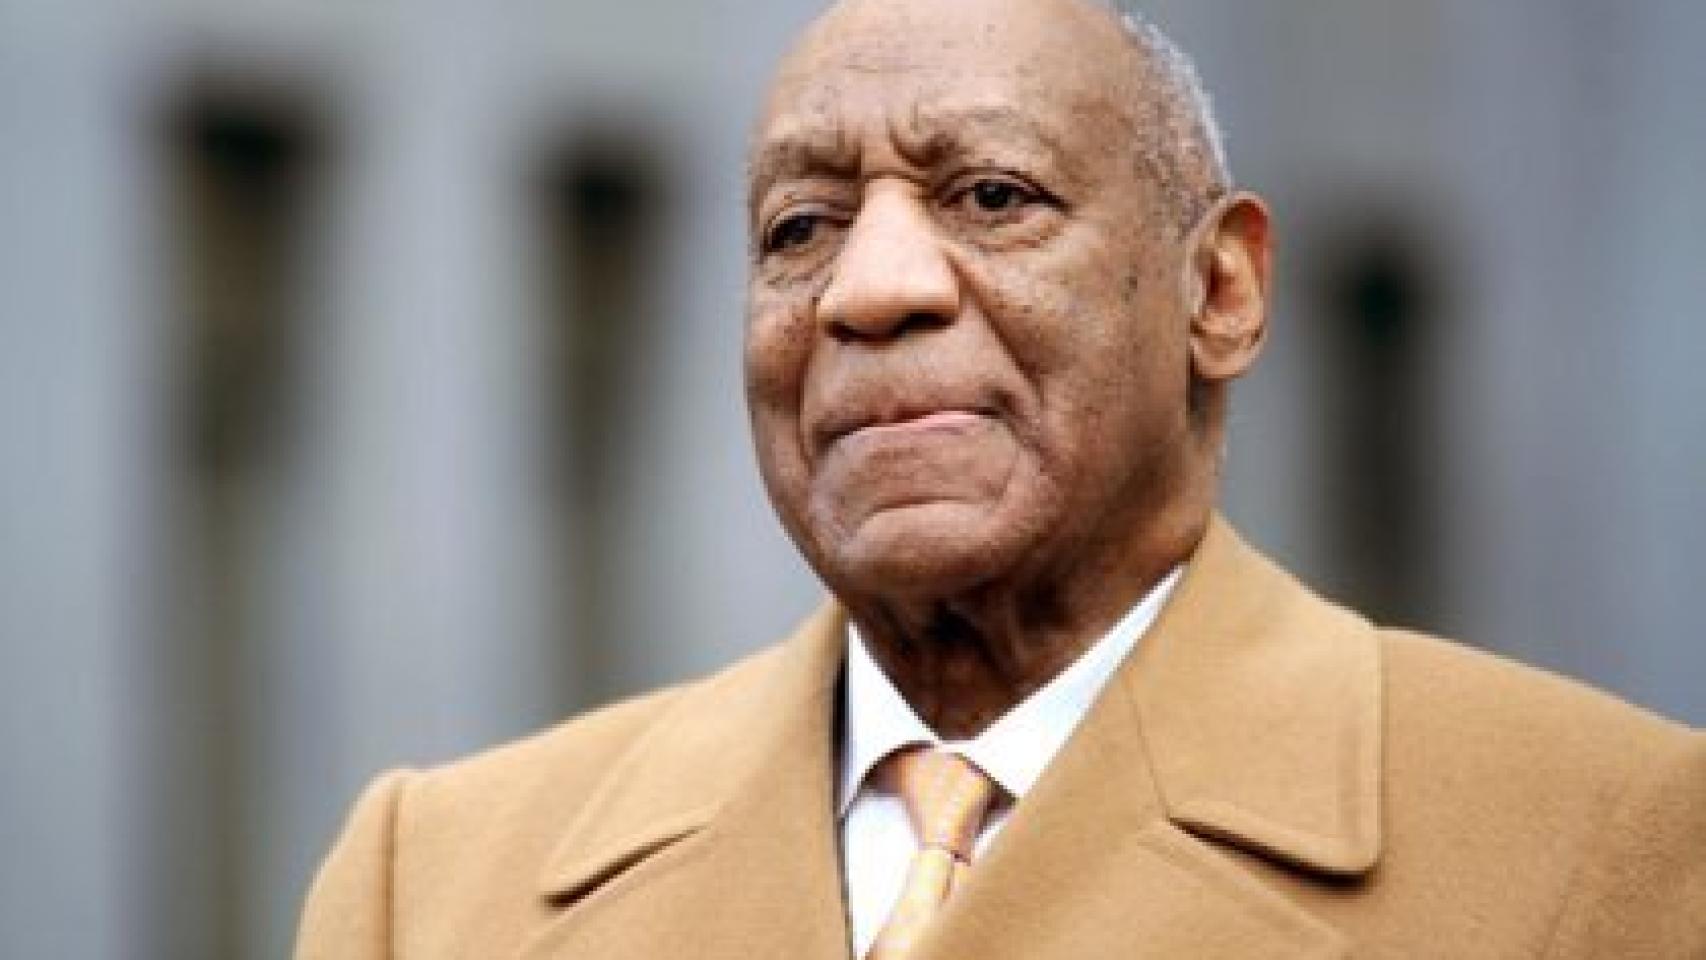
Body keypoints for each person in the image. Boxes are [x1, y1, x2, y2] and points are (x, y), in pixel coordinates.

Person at [296, 0, 1706, 956]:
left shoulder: (1601, 842)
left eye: (990, 198)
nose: (870, 287)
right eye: (800, 227)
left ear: (1219, 291)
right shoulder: (437, 885)